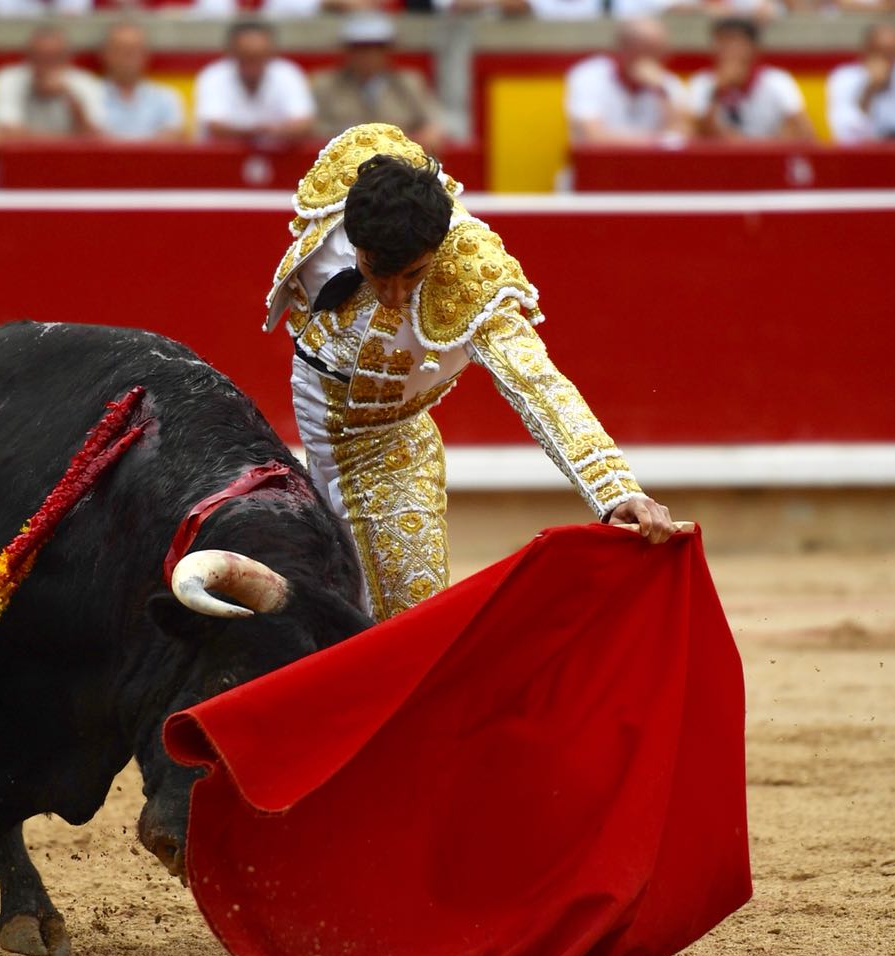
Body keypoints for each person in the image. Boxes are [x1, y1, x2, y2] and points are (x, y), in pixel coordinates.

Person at [263, 124, 675, 619]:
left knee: (408, 624)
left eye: (413, 274)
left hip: (386, 448)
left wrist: (615, 490)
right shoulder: (357, 174)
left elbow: (535, 382)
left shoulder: (470, 276)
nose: (395, 295)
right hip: (300, 435)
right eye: (377, 272)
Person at [312, 15, 450, 158]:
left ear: (387, 50)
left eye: (376, 47)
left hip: (399, 165)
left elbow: (434, 125)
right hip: (344, 163)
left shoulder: (408, 83)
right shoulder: (325, 85)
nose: (368, 55)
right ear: (348, 51)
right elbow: (313, 130)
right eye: (359, 48)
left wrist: (423, 135)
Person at [564, 17, 690, 146]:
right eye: (650, 49)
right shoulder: (589, 76)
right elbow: (592, 137)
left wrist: (662, 92)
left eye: (662, 49)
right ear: (624, 48)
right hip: (598, 164)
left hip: (652, 164)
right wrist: (657, 141)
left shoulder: (667, 82)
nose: (663, 57)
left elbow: (683, 136)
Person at [688, 17, 812, 142]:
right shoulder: (702, 82)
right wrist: (716, 93)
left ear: (753, 47)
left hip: (767, 157)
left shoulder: (776, 81)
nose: (729, 50)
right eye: (722, 42)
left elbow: (805, 132)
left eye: (735, 42)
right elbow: (697, 135)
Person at [194, 20, 314, 144]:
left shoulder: (288, 74)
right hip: (222, 157)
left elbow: (304, 124)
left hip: (278, 156)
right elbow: (214, 126)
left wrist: (271, 131)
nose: (253, 63)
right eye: (246, 56)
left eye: (259, 56)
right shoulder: (214, 75)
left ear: (271, 54)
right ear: (231, 53)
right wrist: (257, 132)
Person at [0, 24, 103, 139]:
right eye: (39, 57)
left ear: (67, 59)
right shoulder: (10, 78)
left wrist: (69, 97)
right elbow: (7, 134)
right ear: (28, 58)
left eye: (54, 58)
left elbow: (97, 138)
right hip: (23, 156)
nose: (46, 65)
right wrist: (69, 140)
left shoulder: (85, 83)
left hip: (74, 157)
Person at [100, 21, 183, 141]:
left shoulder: (166, 97)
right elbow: (88, 138)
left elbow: (174, 136)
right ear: (105, 54)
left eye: (134, 50)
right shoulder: (89, 94)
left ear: (146, 55)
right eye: (121, 50)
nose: (128, 56)